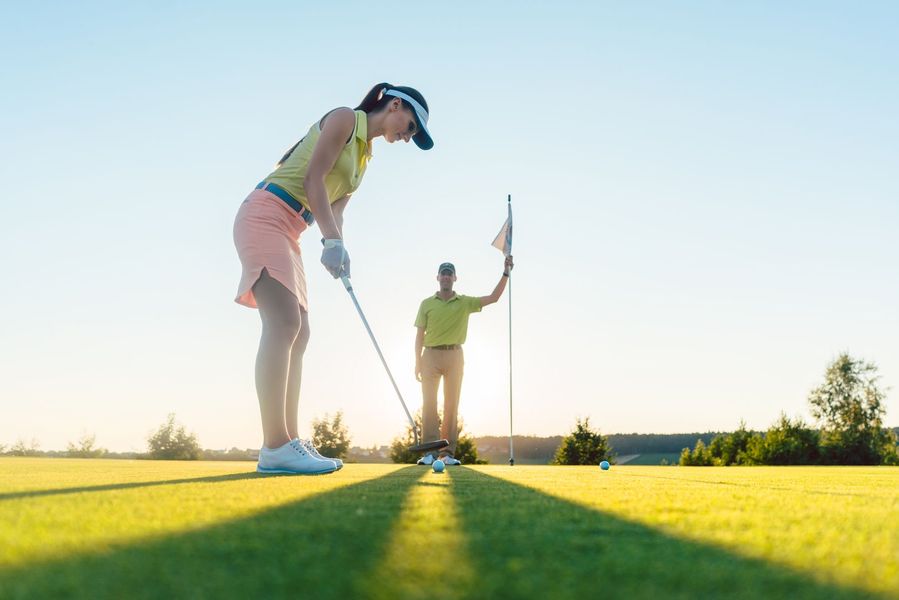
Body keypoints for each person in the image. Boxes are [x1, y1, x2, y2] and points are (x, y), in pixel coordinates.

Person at [234, 83, 434, 474]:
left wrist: (340, 248)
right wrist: (329, 240)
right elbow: (313, 180)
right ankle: (275, 445)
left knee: (301, 332)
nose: (407, 138)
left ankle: (288, 441)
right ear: (395, 105)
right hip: (265, 215)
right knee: (284, 323)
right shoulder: (345, 118)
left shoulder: (364, 159)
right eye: (410, 127)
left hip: (290, 230)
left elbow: (335, 211)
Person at [413, 256, 514, 465]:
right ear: (438, 278)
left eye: (450, 274)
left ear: (455, 278)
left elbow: (494, 297)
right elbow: (419, 335)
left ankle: (447, 454)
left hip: (455, 356)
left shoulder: (465, 302)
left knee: (452, 405)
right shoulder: (427, 304)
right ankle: (430, 453)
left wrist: (505, 272)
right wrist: (417, 362)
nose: (446, 277)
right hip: (430, 356)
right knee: (429, 405)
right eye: (444, 274)